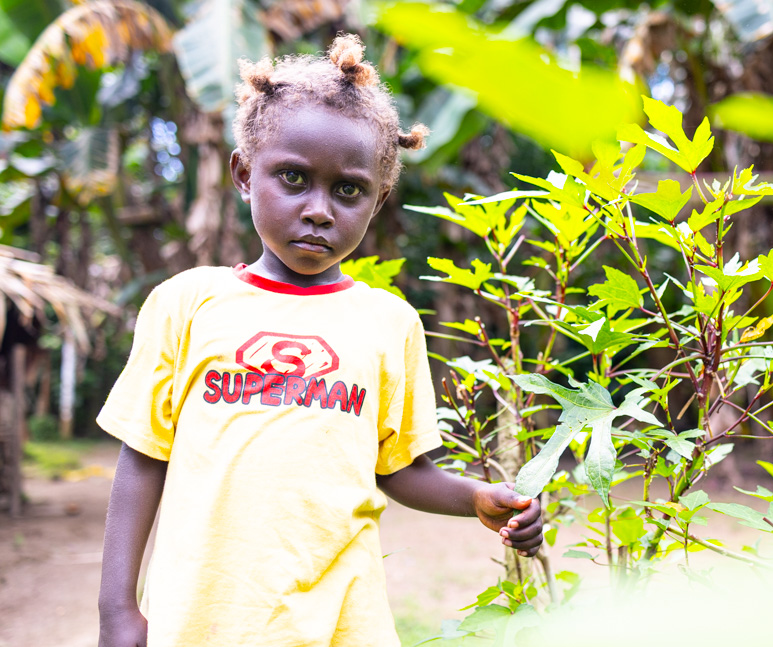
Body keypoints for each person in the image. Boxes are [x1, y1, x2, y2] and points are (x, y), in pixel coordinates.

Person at [97, 34, 543, 647]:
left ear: (378, 200)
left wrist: (477, 498)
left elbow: (402, 468)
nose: (319, 210)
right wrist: (117, 610)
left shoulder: (389, 322)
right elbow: (144, 457)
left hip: (341, 624)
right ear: (244, 175)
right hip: (204, 619)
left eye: (348, 190)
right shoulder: (189, 303)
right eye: (293, 178)